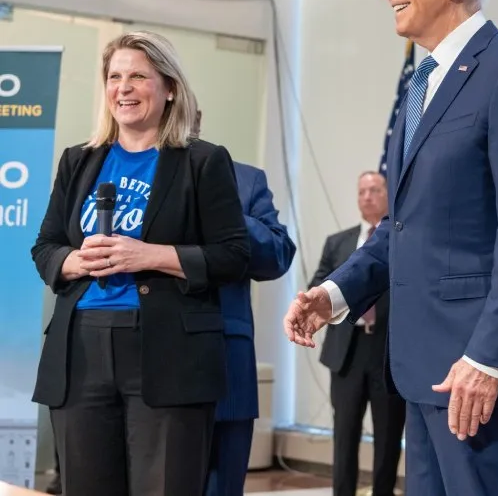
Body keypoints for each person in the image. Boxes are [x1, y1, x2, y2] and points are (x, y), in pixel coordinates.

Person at [282, 0, 498, 495]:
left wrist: (488, 357)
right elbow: (402, 226)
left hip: (476, 368)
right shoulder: (419, 87)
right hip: (419, 366)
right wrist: (334, 293)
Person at [30, 31, 250, 496]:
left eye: (137, 76)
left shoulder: (202, 162)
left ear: (169, 87)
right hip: (82, 350)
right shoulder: (79, 161)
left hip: (168, 352)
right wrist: (74, 260)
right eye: (114, 77)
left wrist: (149, 255)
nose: (123, 88)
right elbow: (45, 246)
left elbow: (234, 255)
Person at [191, 110, 297, 496]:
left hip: (224, 363)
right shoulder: (129, 173)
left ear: (198, 118)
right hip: (143, 361)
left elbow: (277, 255)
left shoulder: (245, 179)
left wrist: (222, 201)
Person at [308, 171, 405, 496]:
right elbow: (318, 285)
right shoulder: (339, 242)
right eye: (362, 190)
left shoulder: (401, 241)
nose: (367, 196)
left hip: (387, 349)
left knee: (388, 434)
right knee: (345, 434)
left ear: (388, 194)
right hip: (346, 352)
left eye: (374, 190)